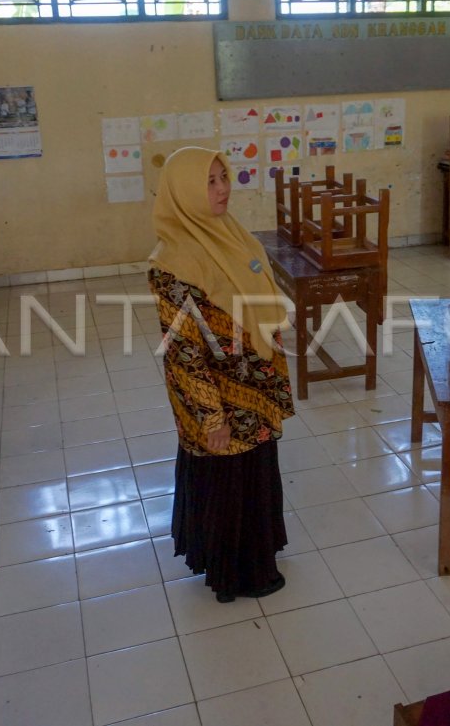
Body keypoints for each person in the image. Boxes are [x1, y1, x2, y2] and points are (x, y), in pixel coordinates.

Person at [147, 146, 295, 603]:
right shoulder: (173, 262)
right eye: (209, 182)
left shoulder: (231, 234)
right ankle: (236, 570)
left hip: (253, 379)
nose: (223, 189)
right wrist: (211, 417)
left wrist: (267, 334)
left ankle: (257, 550)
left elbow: (257, 292)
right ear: (184, 192)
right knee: (229, 475)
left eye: (223, 177)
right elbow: (184, 353)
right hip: (219, 396)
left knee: (253, 471)